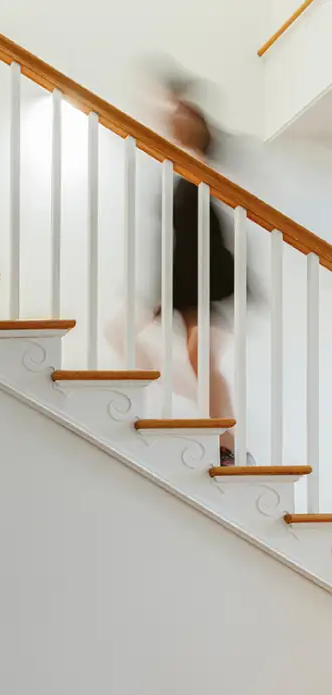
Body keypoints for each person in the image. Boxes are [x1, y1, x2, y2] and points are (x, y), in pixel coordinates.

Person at [166, 97, 237, 466]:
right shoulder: (185, 173)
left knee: (201, 359)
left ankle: (225, 446)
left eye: (183, 115)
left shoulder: (201, 174)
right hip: (189, 290)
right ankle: (222, 441)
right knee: (199, 362)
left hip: (206, 287)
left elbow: (207, 239)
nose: (173, 119)